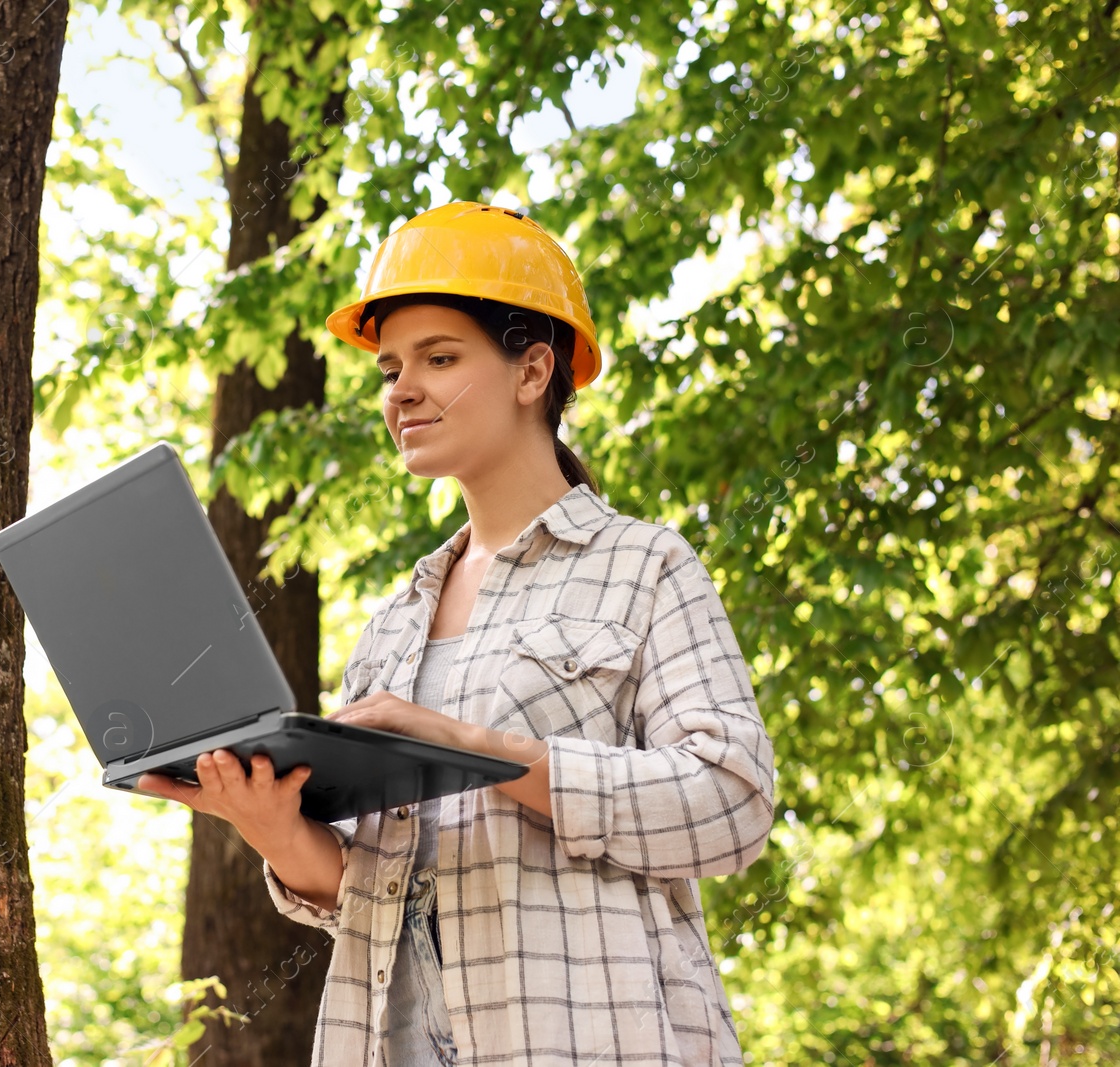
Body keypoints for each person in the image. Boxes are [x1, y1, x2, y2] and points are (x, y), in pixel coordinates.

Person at [137, 201, 776, 1066]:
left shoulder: (645, 566)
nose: (402, 389)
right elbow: (366, 892)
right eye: (391, 366)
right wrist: (275, 829)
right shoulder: (395, 624)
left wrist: (477, 748)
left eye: (440, 358)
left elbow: (731, 805)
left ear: (532, 370)